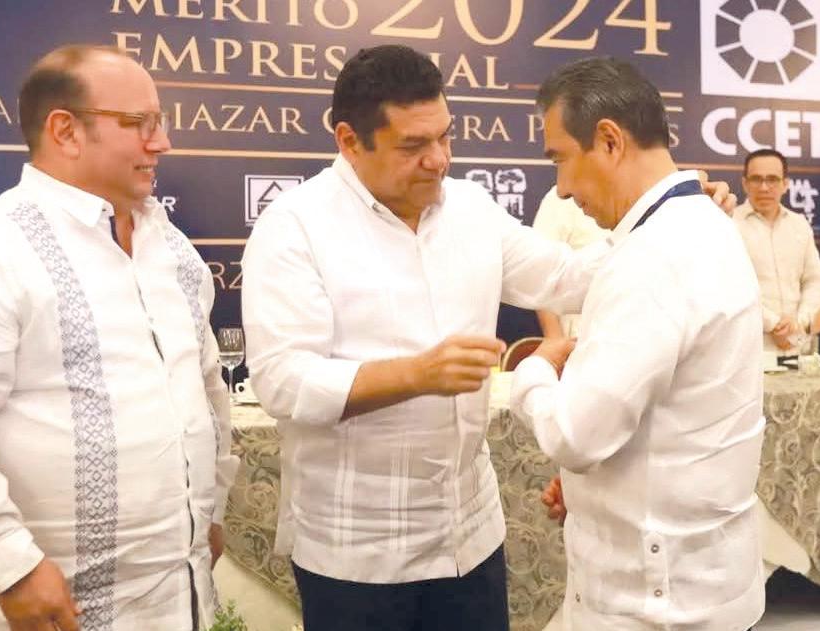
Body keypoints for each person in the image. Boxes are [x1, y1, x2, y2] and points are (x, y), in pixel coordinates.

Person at [240, 44, 736, 631]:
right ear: (350, 141)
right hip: (357, 551)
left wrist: (666, 222)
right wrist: (416, 374)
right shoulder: (294, 227)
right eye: (413, 146)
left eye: (445, 136)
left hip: (469, 535)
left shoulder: (471, 208)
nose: (438, 160)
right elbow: (283, 381)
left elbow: (568, 276)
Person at [0, 45, 238, 631]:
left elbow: (207, 392)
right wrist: (13, 565)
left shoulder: (173, 250)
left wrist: (211, 512)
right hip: (54, 608)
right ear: (65, 131)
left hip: (183, 594)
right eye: (139, 123)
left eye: (160, 121)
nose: (162, 142)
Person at [511, 57, 765, 630]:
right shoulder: (702, 225)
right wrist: (595, 491)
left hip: (656, 605)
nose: (563, 188)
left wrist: (534, 372)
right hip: (701, 579)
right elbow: (675, 417)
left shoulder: (651, 258)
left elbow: (575, 435)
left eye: (559, 159)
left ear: (609, 140)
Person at [734, 148, 820, 358]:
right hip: (751, 353)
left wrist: (800, 321)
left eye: (772, 179)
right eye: (756, 179)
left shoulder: (799, 224)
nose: (764, 187)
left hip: (798, 347)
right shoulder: (729, 225)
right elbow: (729, 287)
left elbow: (814, 279)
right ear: (745, 183)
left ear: (785, 184)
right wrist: (773, 324)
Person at [531, 186, 610, 338]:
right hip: (581, 337)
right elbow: (541, 271)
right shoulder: (564, 197)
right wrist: (554, 338)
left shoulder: (652, 199)